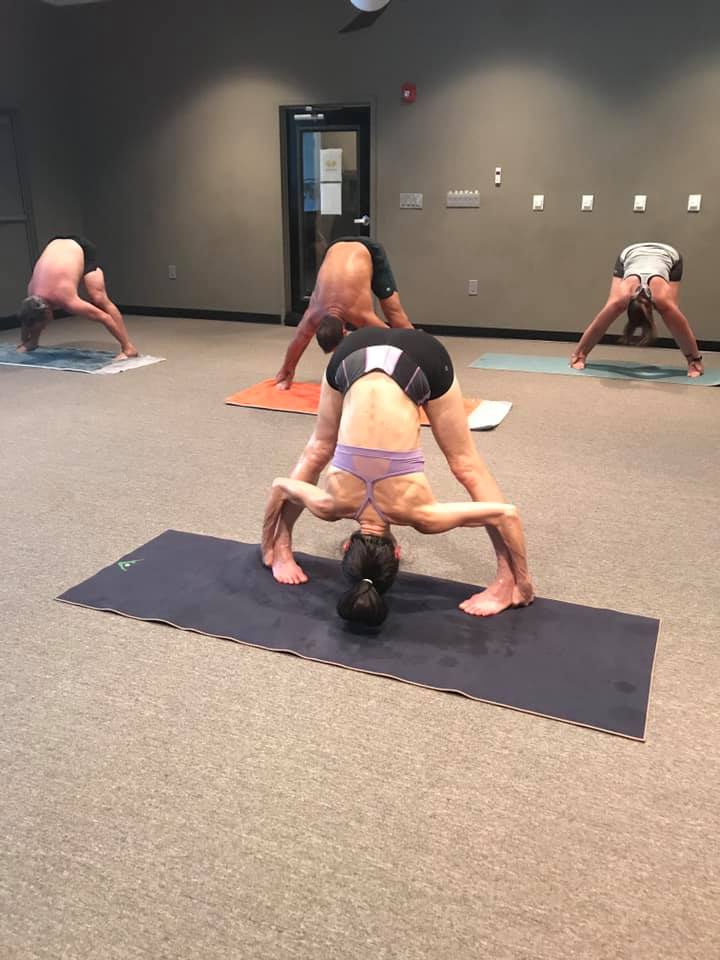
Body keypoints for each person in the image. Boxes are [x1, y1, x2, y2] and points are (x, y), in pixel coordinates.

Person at [263, 327, 534, 626]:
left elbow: (505, 514)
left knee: (319, 450)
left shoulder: (422, 517)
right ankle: (281, 549)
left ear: (397, 551)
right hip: (355, 351)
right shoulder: (329, 506)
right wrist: (269, 546)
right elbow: (281, 486)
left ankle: (506, 581)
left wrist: (524, 583)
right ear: (347, 545)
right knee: (464, 464)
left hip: (416, 359)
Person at [274, 237, 413, 389]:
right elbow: (299, 340)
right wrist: (286, 370)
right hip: (334, 248)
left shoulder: (360, 315)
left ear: (345, 331)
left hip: (368, 250)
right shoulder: (313, 315)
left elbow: (391, 339)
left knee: (395, 316)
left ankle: (421, 363)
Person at [570, 242, 703, 377]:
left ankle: (692, 361)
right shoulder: (620, 299)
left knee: (671, 313)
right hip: (630, 255)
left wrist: (695, 359)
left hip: (670, 256)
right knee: (611, 307)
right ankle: (581, 354)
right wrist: (579, 354)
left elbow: (680, 328)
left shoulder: (661, 299)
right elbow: (599, 325)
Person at [16, 236, 138, 360]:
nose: (44, 328)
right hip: (56, 246)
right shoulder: (32, 294)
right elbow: (27, 318)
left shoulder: (66, 299)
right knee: (35, 315)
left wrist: (126, 346)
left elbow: (105, 318)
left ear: (48, 311)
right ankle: (32, 343)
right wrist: (24, 341)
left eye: (44, 325)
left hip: (82, 248)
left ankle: (128, 348)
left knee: (98, 298)